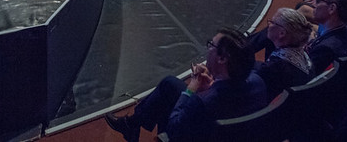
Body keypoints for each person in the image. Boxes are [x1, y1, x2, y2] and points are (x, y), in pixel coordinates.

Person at [104, 29, 267, 142]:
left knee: (169, 96)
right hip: (234, 129)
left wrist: (192, 88)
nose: (208, 48)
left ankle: (131, 124)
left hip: (201, 133)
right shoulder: (258, 82)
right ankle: (132, 124)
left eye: (211, 45)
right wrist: (212, 84)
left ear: (222, 59)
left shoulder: (202, 103)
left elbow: (174, 128)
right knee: (169, 84)